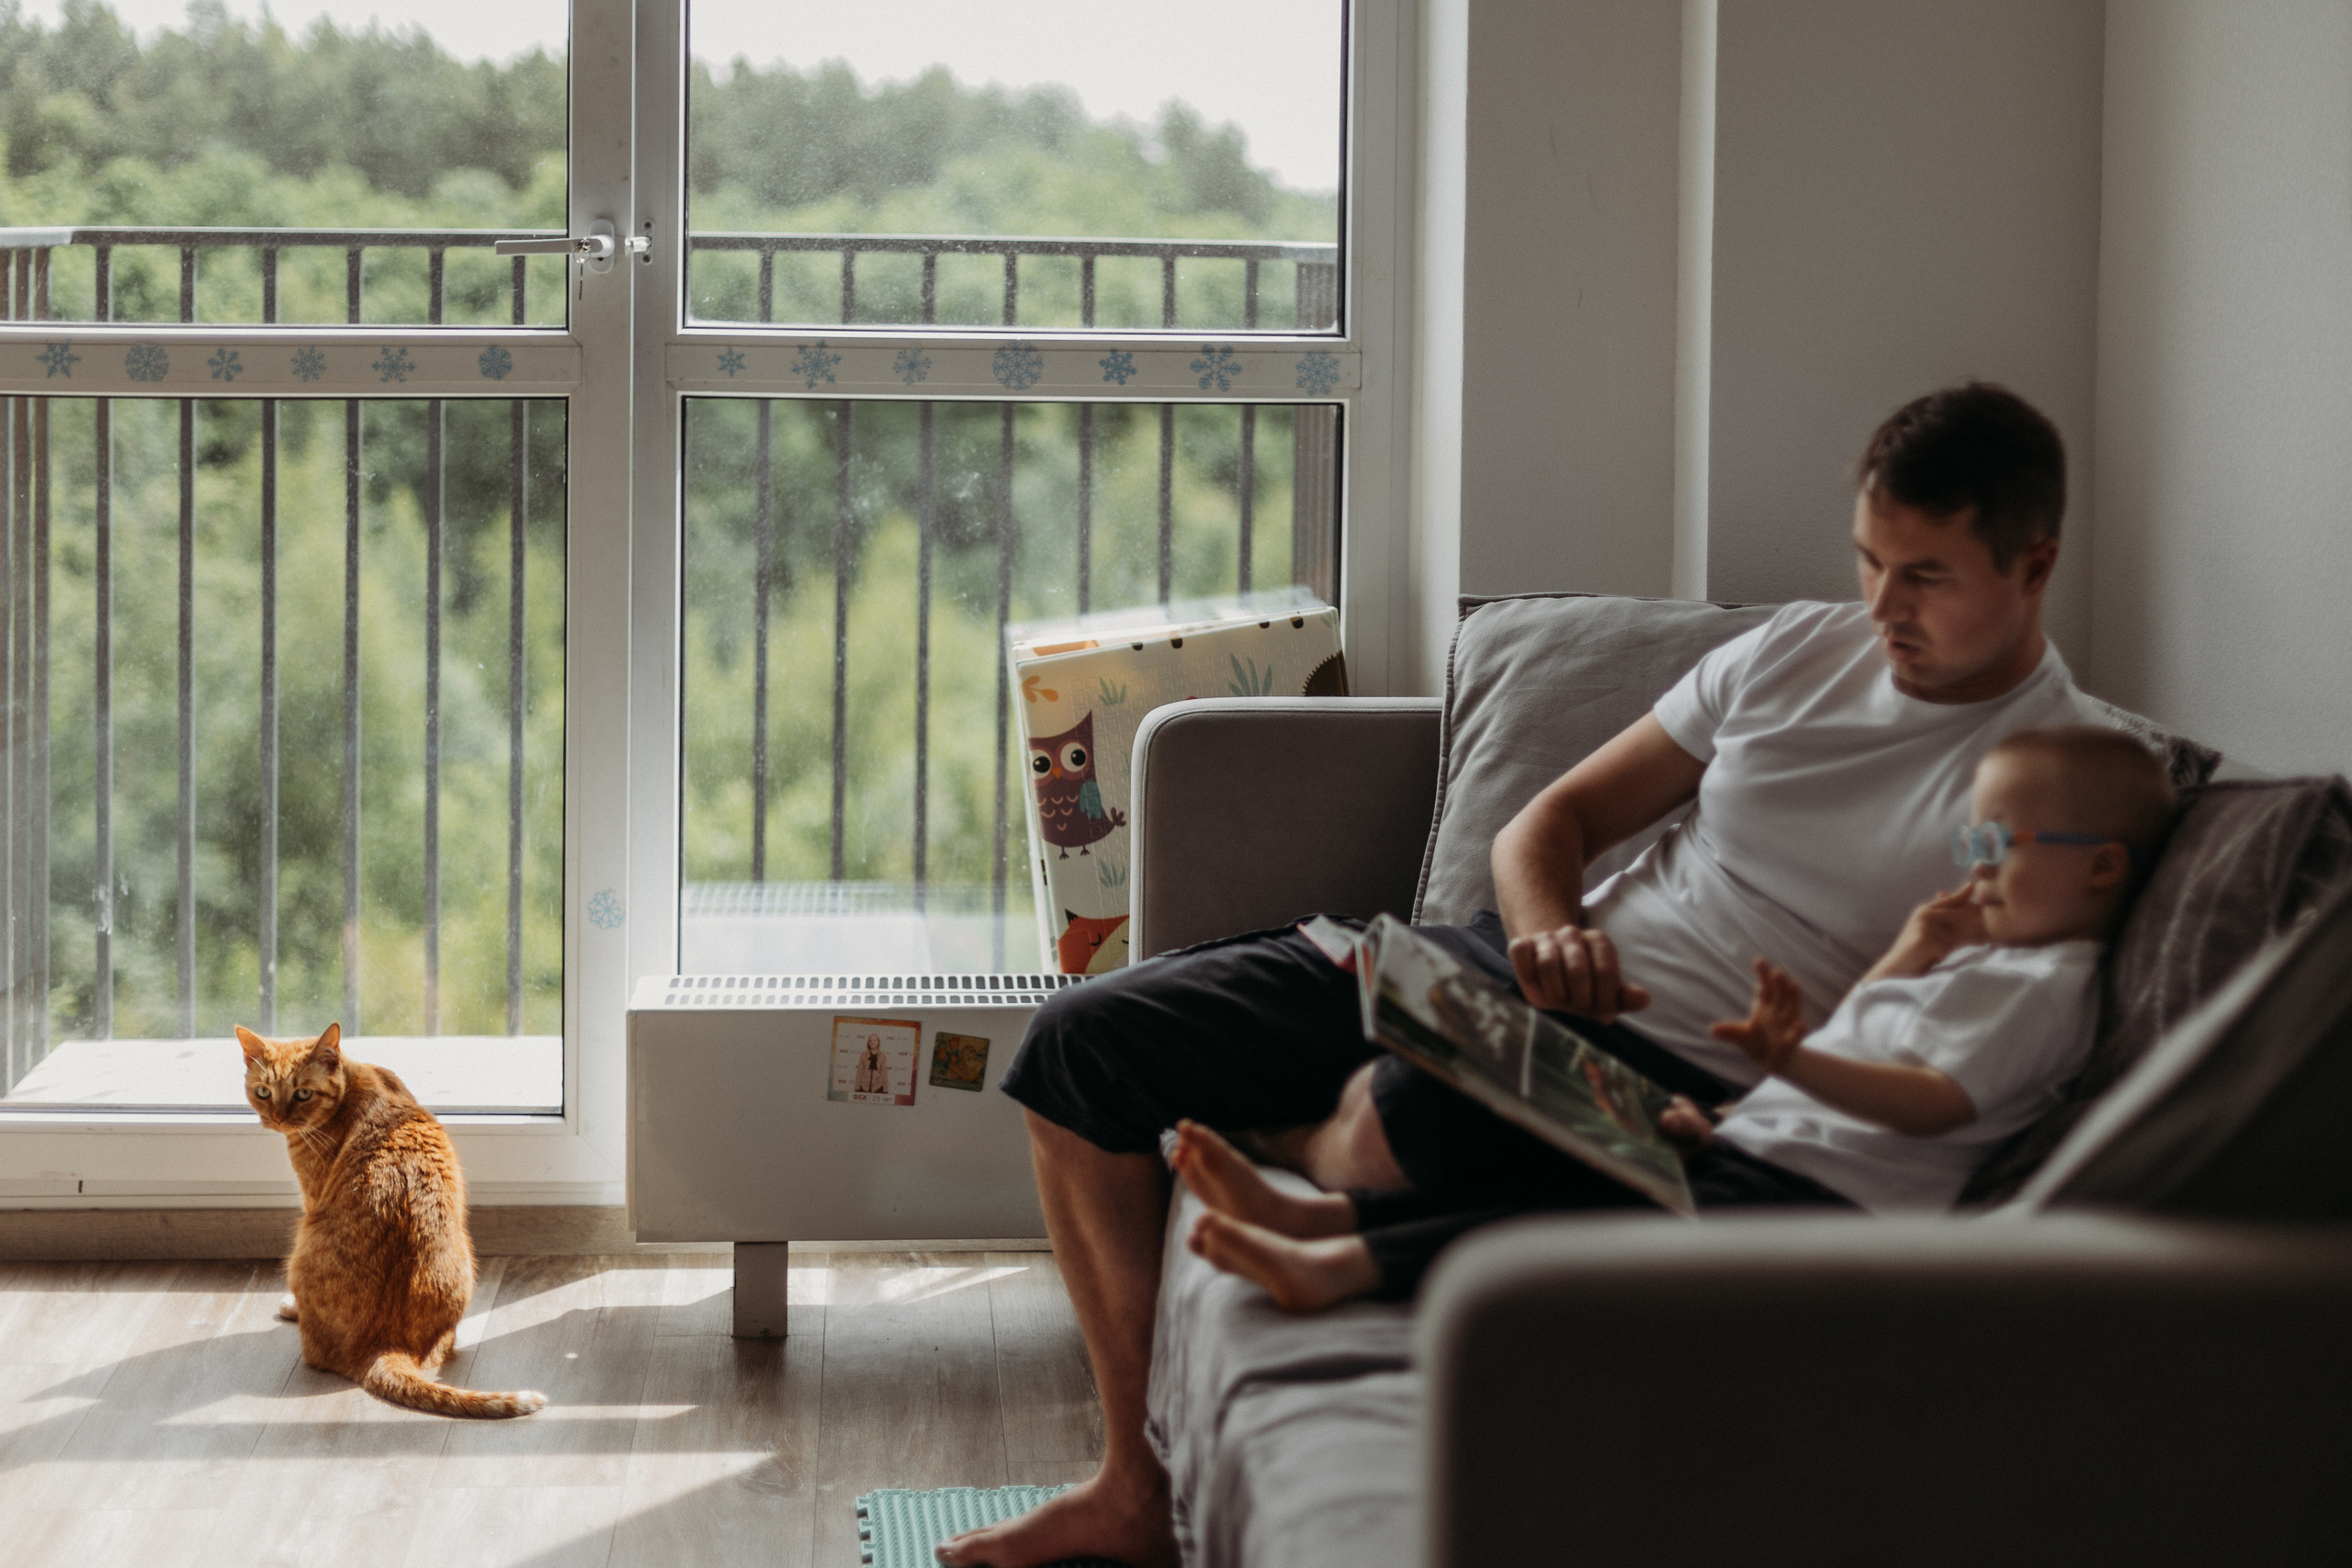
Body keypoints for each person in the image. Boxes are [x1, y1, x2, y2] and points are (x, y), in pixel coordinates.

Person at [937, 381, 2123, 1568]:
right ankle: (1133, 1486)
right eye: (1870, 560)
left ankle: (1332, 1145)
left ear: (2035, 564)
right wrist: (1550, 929)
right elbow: (1550, 820)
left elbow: (1963, 1032)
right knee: (1080, 1043)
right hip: (1507, 973)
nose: (1883, 606)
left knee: (1394, 1118)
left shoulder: (2051, 788)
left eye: (1926, 577)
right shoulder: (1799, 650)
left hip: (1689, 1080)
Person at [1174, 725, 2177, 1312]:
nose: (1976, 863)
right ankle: (1321, 1211)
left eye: (2001, 841)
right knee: (1563, 1110)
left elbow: (1923, 1105)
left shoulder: (2045, 991)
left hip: (1825, 1218)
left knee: (1565, 1223)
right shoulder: (1980, 963)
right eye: (1971, 837)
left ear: (2099, 866)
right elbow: (1865, 1037)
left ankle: (1344, 1261)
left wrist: (1794, 1061)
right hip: (1769, 1157)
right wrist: (1906, 957)